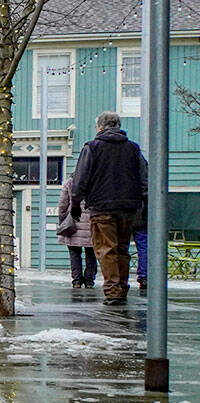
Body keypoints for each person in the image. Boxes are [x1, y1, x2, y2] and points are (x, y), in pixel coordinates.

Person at [70, 111, 148, 306]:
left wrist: (75, 204)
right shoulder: (133, 149)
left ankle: (113, 291)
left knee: (106, 249)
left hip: (101, 206)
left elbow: (80, 178)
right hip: (129, 207)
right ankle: (121, 288)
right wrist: (144, 203)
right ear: (118, 126)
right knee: (122, 248)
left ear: (100, 127)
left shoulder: (92, 148)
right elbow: (145, 178)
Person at [57, 176, 96, 289]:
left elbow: (63, 204)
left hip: (73, 222)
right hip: (92, 223)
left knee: (74, 253)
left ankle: (77, 280)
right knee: (91, 253)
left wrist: (62, 220)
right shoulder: (95, 180)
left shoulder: (70, 182)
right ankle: (89, 280)